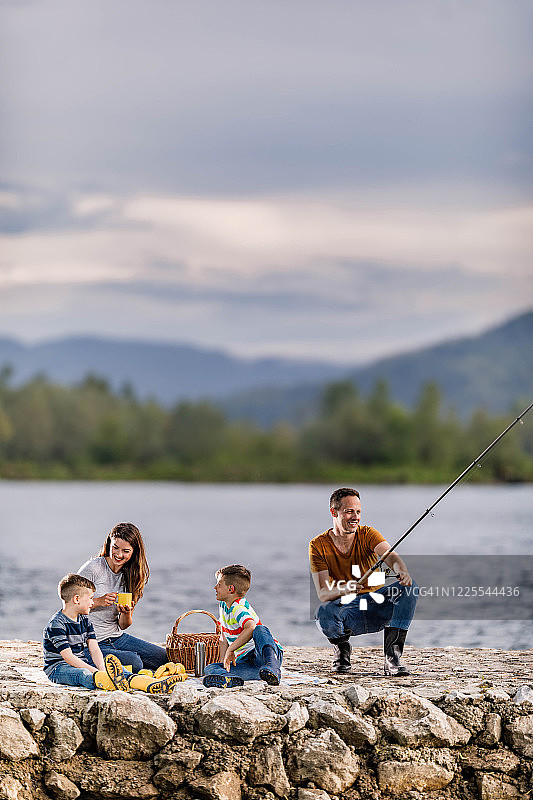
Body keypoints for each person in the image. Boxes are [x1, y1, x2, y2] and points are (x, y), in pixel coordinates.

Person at [310, 488, 418, 676]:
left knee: (410, 587)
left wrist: (402, 571)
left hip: (377, 605)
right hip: (349, 611)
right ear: (334, 512)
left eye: (358, 512)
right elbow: (323, 593)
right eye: (349, 511)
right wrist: (346, 588)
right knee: (323, 613)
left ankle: (392, 658)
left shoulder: (368, 534)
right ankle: (342, 651)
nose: (355, 517)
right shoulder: (317, 545)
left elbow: (391, 557)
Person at [78, 522, 168, 673]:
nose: (119, 555)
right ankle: (85, 659)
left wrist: (126, 613)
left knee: (164, 658)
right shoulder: (93, 568)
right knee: (135, 662)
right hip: (88, 642)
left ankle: (116, 663)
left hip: (116, 637)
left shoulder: (132, 577)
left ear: (134, 552)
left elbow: (123, 625)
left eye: (125, 551)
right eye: (115, 548)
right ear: (109, 544)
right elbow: (70, 603)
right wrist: (99, 601)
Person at [202, 564, 283, 688]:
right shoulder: (223, 607)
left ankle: (273, 666)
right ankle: (229, 678)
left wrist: (231, 649)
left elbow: (250, 627)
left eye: (219, 584)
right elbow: (223, 638)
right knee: (210, 668)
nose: (215, 587)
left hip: (263, 656)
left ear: (231, 589)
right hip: (250, 665)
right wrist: (223, 662)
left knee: (260, 629)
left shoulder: (238, 607)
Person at [43, 573, 108, 690]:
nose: (93, 603)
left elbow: (94, 648)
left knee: (110, 667)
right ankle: (104, 682)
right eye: (91, 598)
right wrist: (97, 673)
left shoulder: (85, 620)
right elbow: (68, 657)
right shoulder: (56, 624)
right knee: (83, 674)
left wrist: (102, 669)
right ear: (77, 599)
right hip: (59, 669)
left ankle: (141, 681)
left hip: (80, 663)